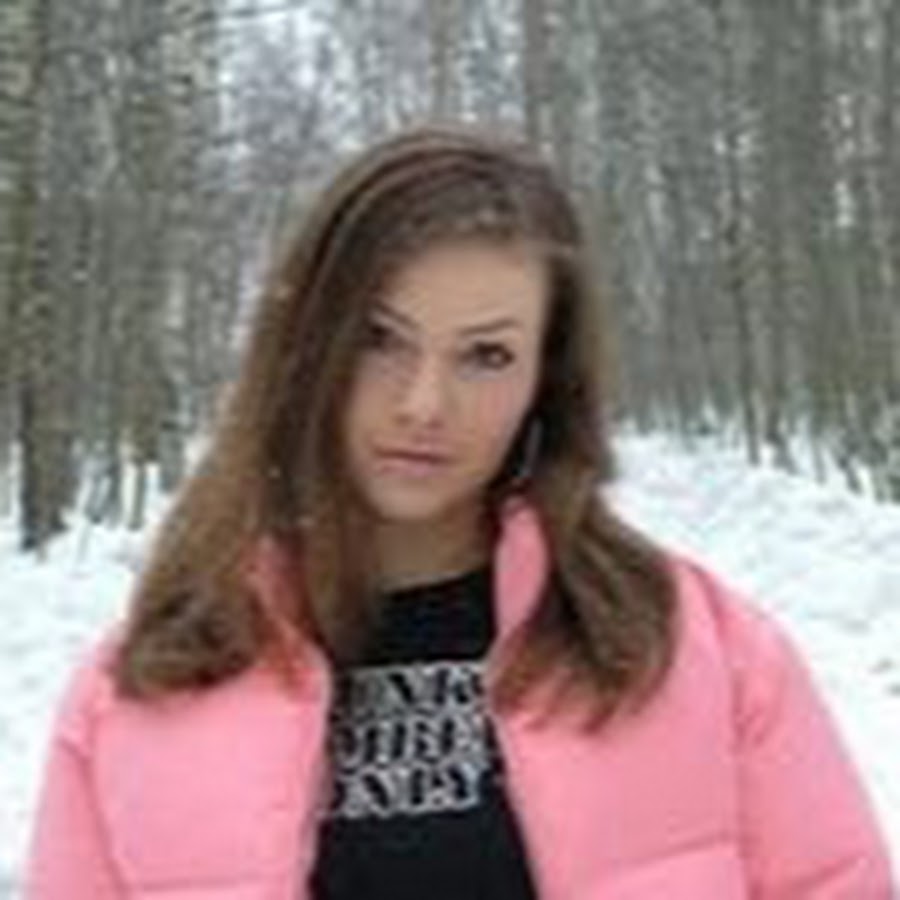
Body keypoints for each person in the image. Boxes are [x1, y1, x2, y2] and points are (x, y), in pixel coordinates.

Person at [26, 126, 893, 900]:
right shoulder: (141, 692)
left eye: (486, 355)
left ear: (544, 379)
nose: (423, 404)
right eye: (379, 339)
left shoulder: (697, 652)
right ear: (307, 346)